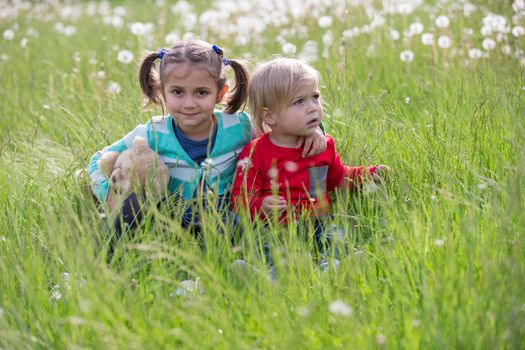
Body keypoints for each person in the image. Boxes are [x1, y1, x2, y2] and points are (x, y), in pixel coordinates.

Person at [88, 40, 327, 236]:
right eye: (178, 92)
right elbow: (97, 160)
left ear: (220, 94)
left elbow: (283, 129)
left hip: (226, 213)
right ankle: (110, 262)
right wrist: (110, 194)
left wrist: (315, 132)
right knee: (132, 210)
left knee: (247, 229)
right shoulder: (153, 132)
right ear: (163, 92)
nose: (189, 103)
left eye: (201, 92)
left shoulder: (239, 125)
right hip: (171, 213)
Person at [231, 57, 389, 270]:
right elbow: (240, 199)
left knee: (338, 236)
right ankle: (265, 276)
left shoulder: (324, 145)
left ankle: (335, 268)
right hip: (276, 229)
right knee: (266, 248)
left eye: (315, 97)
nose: (313, 107)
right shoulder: (256, 153)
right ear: (270, 116)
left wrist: (367, 175)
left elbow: (339, 178)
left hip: (318, 223)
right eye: (299, 102)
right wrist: (261, 206)